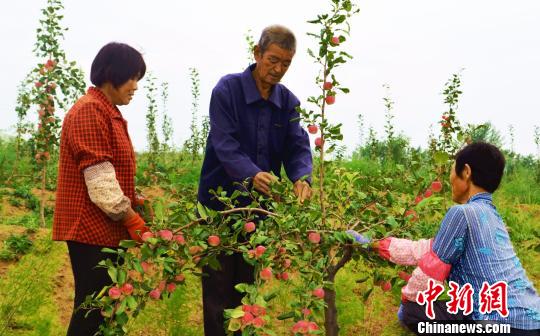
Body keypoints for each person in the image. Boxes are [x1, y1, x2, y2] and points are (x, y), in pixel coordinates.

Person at [350, 142, 540, 335]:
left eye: (452, 172)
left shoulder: (461, 213)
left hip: (499, 324)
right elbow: (425, 249)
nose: (450, 179)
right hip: (531, 318)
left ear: (466, 172)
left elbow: (431, 269)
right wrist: (372, 244)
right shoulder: (493, 217)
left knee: (412, 312)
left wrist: (407, 300)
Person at [197, 25, 313, 335]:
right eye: (272, 60)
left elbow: (297, 146)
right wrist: (252, 175)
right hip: (219, 209)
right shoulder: (228, 91)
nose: (278, 69)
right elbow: (225, 144)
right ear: (257, 53)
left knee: (247, 290)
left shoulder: (288, 103)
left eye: (286, 63)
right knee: (218, 293)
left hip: (258, 212)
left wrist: (303, 178)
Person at [53, 42, 149, 336]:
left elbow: (114, 171)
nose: (135, 86)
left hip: (105, 229)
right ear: (112, 74)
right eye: (132, 77)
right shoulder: (90, 111)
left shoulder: (108, 112)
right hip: (90, 230)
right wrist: (131, 218)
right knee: (92, 309)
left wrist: (137, 200)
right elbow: (100, 180)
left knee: (103, 308)